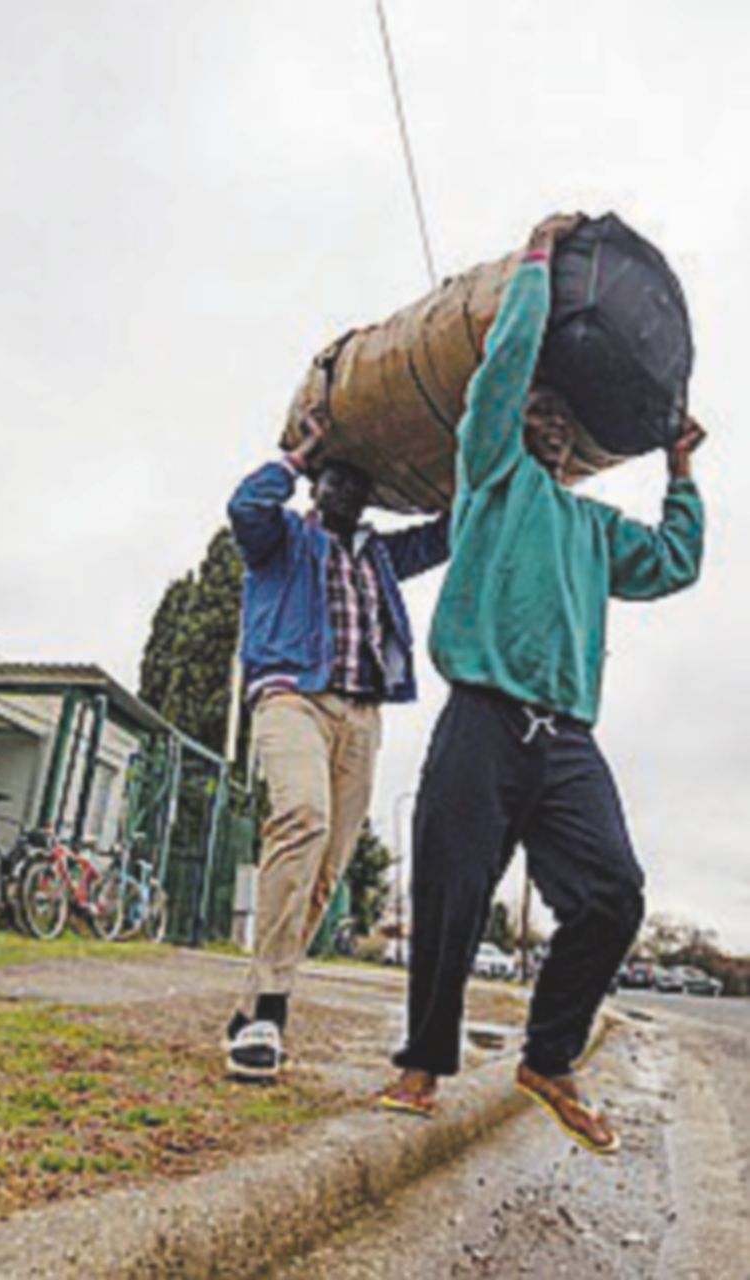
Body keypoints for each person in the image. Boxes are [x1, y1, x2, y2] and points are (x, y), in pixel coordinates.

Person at [379, 213, 705, 1154]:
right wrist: (534, 259)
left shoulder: (594, 532)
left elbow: (676, 560)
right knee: (449, 895)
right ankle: (420, 1064)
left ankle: (548, 1057)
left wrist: (680, 470)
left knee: (613, 895)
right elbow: (505, 365)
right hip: (480, 716)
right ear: (517, 426)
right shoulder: (490, 479)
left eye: (565, 427)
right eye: (538, 419)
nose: (551, 432)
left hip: (564, 739)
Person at [225, 418, 451, 1079]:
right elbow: (244, 505)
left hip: (362, 716)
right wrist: (294, 458)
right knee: (301, 817)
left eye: (356, 481)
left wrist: (475, 468)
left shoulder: (380, 556)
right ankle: (271, 1007)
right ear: (315, 487)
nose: (344, 488)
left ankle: (251, 1011)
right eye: (332, 477)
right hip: (292, 697)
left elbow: (446, 536)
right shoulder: (280, 538)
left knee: (326, 871)